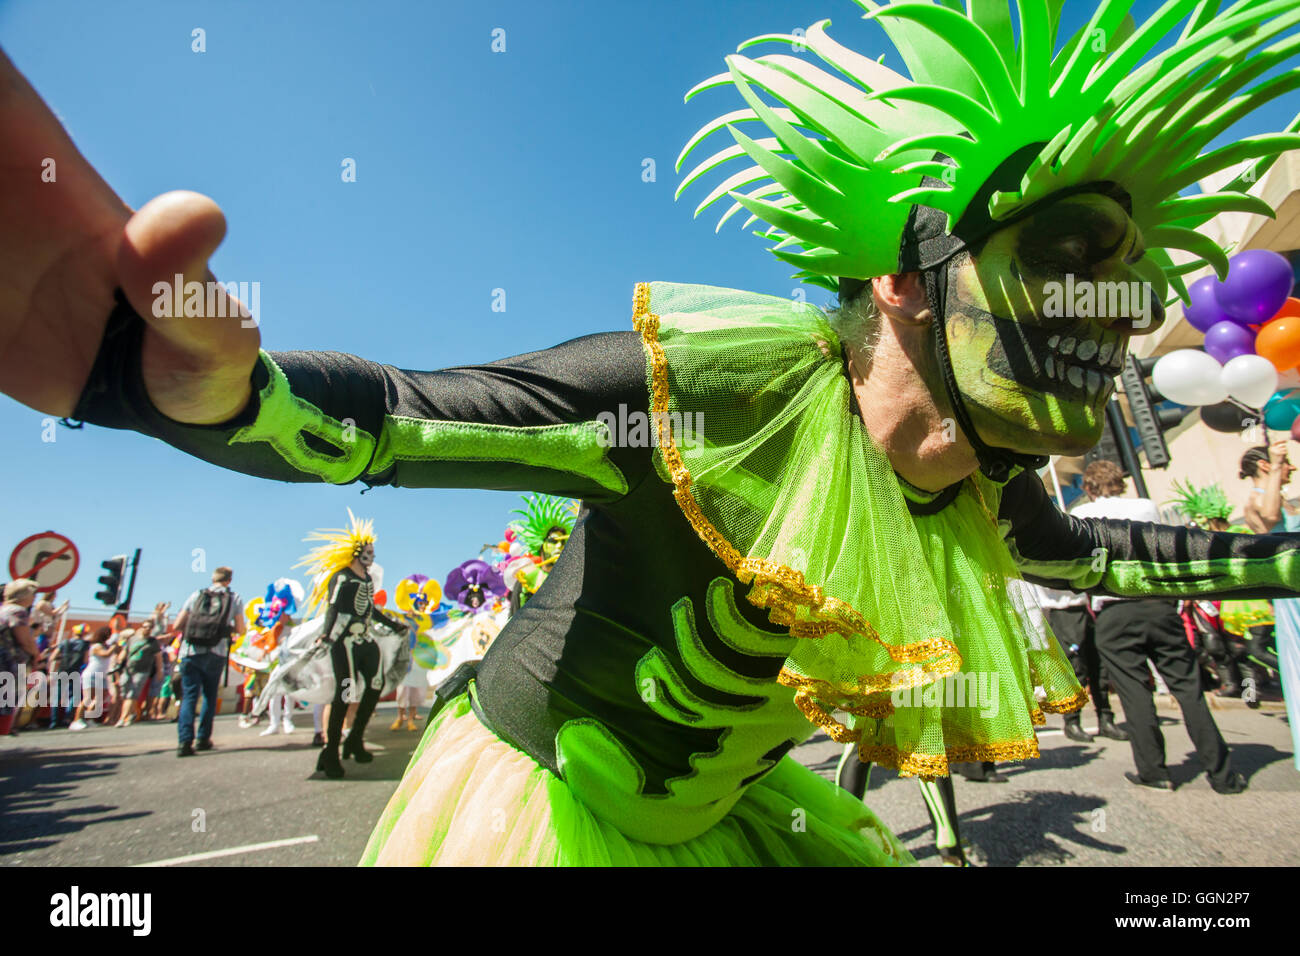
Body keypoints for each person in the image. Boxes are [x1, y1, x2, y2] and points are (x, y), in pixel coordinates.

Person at [6, 0, 1300, 864]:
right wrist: (168, 385)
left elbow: (1108, 560)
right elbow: (393, 420)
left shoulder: (983, 479)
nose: (1115, 313)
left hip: (734, 825)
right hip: (542, 815)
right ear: (906, 275)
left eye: (1131, 286)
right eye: (1075, 260)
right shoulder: (693, 402)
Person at [1075, 461, 1246, 794]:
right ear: (1119, 481)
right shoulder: (1146, 507)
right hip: (1156, 603)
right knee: (1188, 689)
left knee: (1135, 692)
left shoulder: (1082, 515)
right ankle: (1222, 775)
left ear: (1089, 487)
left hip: (1113, 609)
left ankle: (1154, 771)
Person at [297, 514, 412, 779]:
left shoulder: (368, 580)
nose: (372, 556)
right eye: (368, 552)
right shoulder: (341, 577)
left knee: (375, 686)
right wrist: (326, 635)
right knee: (344, 694)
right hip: (345, 641)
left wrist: (396, 626)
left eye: (373, 552)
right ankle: (331, 751)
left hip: (366, 639)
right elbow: (333, 607)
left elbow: (371, 610)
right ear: (357, 553)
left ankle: (355, 739)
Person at [172, 567, 246, 757]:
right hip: (216, 651)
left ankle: (184, 742)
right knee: (209, 696)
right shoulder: (234, 598)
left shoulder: (197, 594)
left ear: (213, 579)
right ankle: (203, 739)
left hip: (190, 651)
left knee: (189, 696)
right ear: (229, 580)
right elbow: (241, 629)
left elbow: (177, 625)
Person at [0, 579, 42, 736]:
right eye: (33, 594)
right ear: (22, 595)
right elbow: (25, 640)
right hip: (8, 662)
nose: (34, 598)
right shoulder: (17, 611)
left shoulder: (2, 609)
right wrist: (35, 655)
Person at [117, 620, 163, 727]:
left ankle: (123, 718)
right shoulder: (132, 639)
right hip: (128, 670)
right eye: (145, 626)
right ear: (141, 627)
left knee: (131, 694)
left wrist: (159, 671)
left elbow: (158, 657)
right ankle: (132, 713)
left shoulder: (153, 642)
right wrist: (120, 659)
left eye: (149, 627)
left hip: (142, 671)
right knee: (124, 693)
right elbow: (125, 651)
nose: (147, 629)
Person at [69, 626, 115, 730]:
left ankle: (88, 718)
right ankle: (76, 720)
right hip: (92, 674)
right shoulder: (96, 646)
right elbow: (105, 654)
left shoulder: (106, 646)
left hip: (102, 675)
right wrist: (114, 647)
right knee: (88, 698)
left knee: (100, 698)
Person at [47, 623, 89, 729]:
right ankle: (67, 718)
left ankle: (54, 721)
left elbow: (52, 657)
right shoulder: (85, 644)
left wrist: (61, 659)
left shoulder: (64, 643)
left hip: (62, 670)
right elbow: (86, 660)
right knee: (73, 696)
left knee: (57, 696)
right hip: (76, 671)